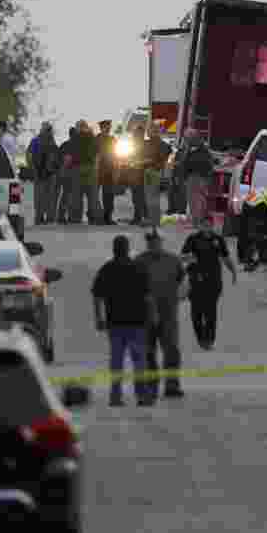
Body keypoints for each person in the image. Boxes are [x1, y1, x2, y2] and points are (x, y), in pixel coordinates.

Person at [92, 235, 157, 406]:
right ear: (128, 249)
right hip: (137, 322)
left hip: (115, 322)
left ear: (114, 249)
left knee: (116, 360)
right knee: (139, 360)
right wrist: (152, 317)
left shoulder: (107, 269)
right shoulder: (139, 267)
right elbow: (148, 296)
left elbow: (97, 296)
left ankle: (115, 396)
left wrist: (99, 318)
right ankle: (142, 395)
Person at [136, 228, 185, 398]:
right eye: (150, 241)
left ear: (161, 242)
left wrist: (181, 295)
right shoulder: (139, 261)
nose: (153, 243)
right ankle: (151, 384)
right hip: (145, 314)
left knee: (171, 350)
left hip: (168, 314)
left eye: (156, 240)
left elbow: (183, 281)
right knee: (148, 351)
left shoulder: (173, 260)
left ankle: (172, 385)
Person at [181, 214, 237, 349]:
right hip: (196, 280)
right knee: (196, 313)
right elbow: (183, 256)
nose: (206, 227)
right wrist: (189, 258)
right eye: (204, 224)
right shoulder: (192, 239)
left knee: (211, 311)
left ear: (212, 225)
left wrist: (233, 271)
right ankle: (200, 337)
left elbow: (225, 257)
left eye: (209, 224)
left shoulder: (218, 239)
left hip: (213, 281)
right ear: (200, 226)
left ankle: (209, 339)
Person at [181, 128, 214, 227]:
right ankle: (199, 222)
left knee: (195, 201)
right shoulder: (200, 147)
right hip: (199, 177)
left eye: (186, 137)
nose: (185, 139)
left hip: (196, 177)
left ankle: (196, 223)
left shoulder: (196, 148)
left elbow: (193, 162)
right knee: (199, 200)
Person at [30, 122, 60, 225]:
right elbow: (56, 158)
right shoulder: (51, 142)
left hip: (40, 173)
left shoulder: (35, 141)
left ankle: (39, 218)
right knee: (49, 196)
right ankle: (49, 218)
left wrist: (33, 169)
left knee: (39, 197)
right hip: (49, 174)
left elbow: (29, 156)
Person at [142, 123, 172, 226]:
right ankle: (154, 219)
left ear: (153, 131)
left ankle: (153, 220)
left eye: (149, 130)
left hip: (152, 172)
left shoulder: (153, 144)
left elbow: (152, 159)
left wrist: (143, 162)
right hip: (156, 171)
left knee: (151, 197)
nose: (147, 132)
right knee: (153, 197)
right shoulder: (162, 144)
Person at [73, 120, 101, 224]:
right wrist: (96, 167)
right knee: (92, 194)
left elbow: (71, 154)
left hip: (78, 168)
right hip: (90, 168)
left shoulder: (75, 138)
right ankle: (94, 218)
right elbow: (97, 153)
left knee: (77, 195)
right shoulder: (92, 137)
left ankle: (76, 218)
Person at [96, 119, 118, 224]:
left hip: (109, 170)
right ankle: (96, 216)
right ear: (102, 128)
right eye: (107, 126)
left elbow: (116, 154)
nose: (109, 128)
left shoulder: (113, 139)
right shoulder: (96, 139)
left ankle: (107, 216)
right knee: (95, 195)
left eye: (109, 126)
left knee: (108, 196)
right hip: (99, 170)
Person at [57, 126, 78, 224]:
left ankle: (62, 216)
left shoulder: (64, 144)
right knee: (69, 196)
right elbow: (67, 159)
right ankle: (68, 216)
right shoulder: (74, 145)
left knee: (65, 195)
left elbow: (60, 158)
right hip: (71, 173)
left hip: (64, 173)